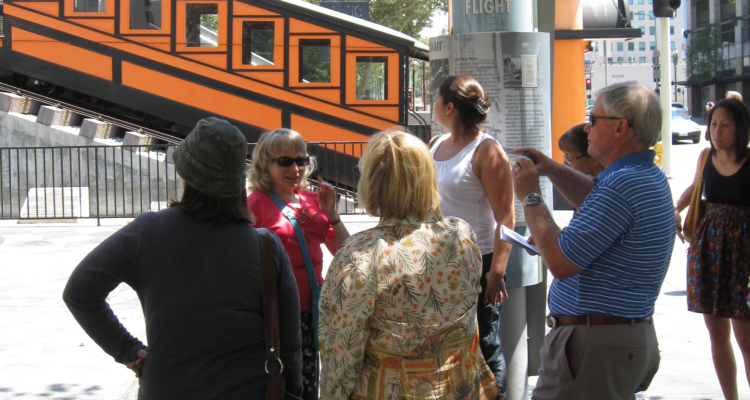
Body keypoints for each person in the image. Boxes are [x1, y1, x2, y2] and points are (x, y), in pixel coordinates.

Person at [63, 117, 302, 399]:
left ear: (186, 174)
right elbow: (289, 343)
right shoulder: (265, 246)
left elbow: (79, 293)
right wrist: (295, 391)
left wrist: (127, 348)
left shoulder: (147, 232)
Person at [513, 81, 675, 399]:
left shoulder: (622, 184)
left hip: (594, 343)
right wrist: (554, 170)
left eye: (594, 119)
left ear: (620, 128)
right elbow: (594, 199)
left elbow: (560, 262)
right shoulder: (639, 174)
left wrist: (530, 196)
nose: (587, 127)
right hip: (611, 337)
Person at [318, 130, 499, 400]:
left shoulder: (361, 255)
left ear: (372, 183)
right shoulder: (461, 235)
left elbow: (341, 357)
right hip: (462, 388)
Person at [247, 128, 350, 400]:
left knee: (311, 378)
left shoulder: (313, 201)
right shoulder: (254, 206)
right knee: (286, 380)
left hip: (315, 308)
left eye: (301, 160)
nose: (295, 168)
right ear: (264, 165)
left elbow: (345, 252)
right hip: (278, 312)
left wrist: (333, 216)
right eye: (285, 161)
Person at [429, 75, 515, 394]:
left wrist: (497, 273)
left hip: (479, 262)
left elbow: (506, 217)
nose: (433, 105)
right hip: (440, 261)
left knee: (484, 343)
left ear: (449, 107)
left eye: (436, 100)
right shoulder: (437, 144)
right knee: (448, 343)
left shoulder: (487, 150)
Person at [674, 98, 750, 400]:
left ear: (740, 127)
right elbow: (696, 187)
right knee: (717, 334)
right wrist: (675, 209)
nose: (716, 131)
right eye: (714, 124)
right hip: (709, 249)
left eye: (725, 124)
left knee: (745, 338)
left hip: (743, 255)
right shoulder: (706, 156)